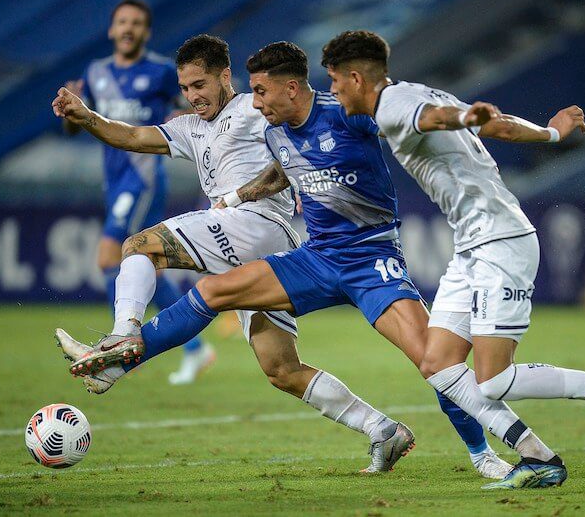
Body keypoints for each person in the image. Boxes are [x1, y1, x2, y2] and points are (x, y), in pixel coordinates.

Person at [54, 40, 513, 479]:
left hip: (258, 227)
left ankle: (121, 339)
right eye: (186, 87)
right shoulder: (188, 128)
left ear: (225, 78)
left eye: (201, 85)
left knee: (138, 246)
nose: (193, 96)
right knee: (281, 369)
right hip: (271, 247)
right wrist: (87, 116)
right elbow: (131, 135)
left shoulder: (255, 109)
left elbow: (311, 125)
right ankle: (384, 431)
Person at [319, 29, 585, 489]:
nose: (333, 92)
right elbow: (494, 125)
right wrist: (551, 131)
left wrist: (461, 114)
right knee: (438, 364)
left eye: (335, 82)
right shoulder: (418, 92)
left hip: (500, 242)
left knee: (493, 380)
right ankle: (538, 458)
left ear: (357, 77)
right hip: (472, 246)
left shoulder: (394, 105)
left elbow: (441, 118)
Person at [62, 0, 213, 384]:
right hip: (113, 179)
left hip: (143, 177)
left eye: (136, 23)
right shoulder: (96, 72)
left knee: (108, 256)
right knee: (143, 261)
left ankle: (129, 337)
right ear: (112, 30)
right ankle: (194, 345)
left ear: (145, 32)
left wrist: (183, 121)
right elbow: (81, 123)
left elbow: (194, 107)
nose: (128, 29)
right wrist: (69, 113)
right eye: (122, 22)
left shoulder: (163, 72)